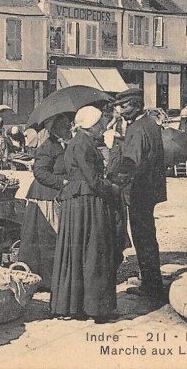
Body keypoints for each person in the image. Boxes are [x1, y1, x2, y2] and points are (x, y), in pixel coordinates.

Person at [50, 106, 120, 321]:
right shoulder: (82, 144)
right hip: (86, 203)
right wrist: (113, 188)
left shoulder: (82, 141)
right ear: (91, 124)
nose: (103, 127)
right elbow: (92, 179)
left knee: (78, 253)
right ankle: (96, 307)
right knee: (93, 252)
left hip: (80, 203)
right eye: (100, 123)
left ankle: (76, 304)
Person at [114, 88, 167, 301]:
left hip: (138, 191)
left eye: (125, 106)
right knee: (148, 236)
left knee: (142, 238)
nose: (121, 110)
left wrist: (115, 183)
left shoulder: (136, 128)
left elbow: (130, 162)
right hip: (151, 189)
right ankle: (152, 281)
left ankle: (151, 286)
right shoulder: (151, 124)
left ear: (136, 106)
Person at [18, 113, 70, 291]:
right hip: (43, 198)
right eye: (64, 126)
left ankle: (53, 278)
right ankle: (46, 280)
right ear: (55, 128)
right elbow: (39, 172)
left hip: (53, 196)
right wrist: (61, 182)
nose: (68, 128)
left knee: (51, 240)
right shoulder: (48, 147)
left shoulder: (62, 144)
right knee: (46, 239)